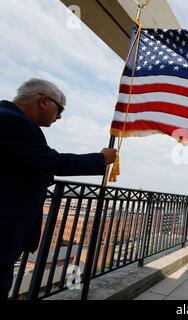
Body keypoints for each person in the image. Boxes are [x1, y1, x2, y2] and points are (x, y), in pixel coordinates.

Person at [0, 78, 117, 300]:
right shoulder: (12, 122)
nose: (60, 116)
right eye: (60, 109)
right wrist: (101, 159)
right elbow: (52, 161)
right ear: (44, 100)